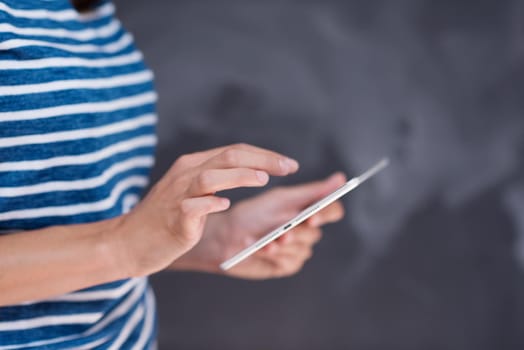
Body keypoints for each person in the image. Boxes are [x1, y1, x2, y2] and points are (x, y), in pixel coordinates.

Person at [0, 0, 346, 348]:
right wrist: (123, 245)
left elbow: (79, 222)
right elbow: (119, 243)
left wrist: (205, 238)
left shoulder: (94, 16)